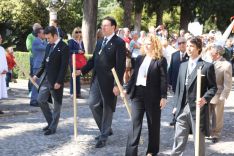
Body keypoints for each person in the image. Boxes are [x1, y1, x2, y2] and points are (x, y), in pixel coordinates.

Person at [75, 16, 126, 148]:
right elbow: (93, 61)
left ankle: (103, 136)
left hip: (110, 81)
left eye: (106, 25)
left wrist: (117, 85)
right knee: (93, 104)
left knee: (107, 108)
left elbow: (120, 65)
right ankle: (106, 129)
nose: (103, 28)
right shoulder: (99, 42)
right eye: (102, 26)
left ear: (113, 27)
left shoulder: (119, 43)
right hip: (97, 79)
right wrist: (81, 71)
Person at [171, 37, 217, 156]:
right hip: (182, 108)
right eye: (187, 46)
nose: (188, 49)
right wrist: (176, 105)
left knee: (198, 141)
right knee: (178, 138)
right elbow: (179, 88)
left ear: (199, 49)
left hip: (197, 109)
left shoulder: (206, 66)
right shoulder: (183, 66)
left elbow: (213, 87)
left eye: (191, 46)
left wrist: (205, 99)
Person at [125, 34, 167, 156]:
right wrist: (127, 90)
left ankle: (152, 151)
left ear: (155, 44)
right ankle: (130, 153)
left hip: (153, 96)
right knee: (134, 125)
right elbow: (134, 77)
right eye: (145, 43)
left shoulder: (161, 60)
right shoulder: (139, 58)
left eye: (149, 43)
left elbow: (164, 79)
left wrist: (163, 96)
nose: (147, 45)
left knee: (153, 125)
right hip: (137, 94)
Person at [32, 26, 69, 135]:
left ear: (55, 35)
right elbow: (44, 62)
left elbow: (64, 67)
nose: (47, 40)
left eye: (49, 38)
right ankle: (51, 122)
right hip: (46, 79)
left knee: (57, 105)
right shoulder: (48, 46)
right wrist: (37, 75)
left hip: (56, 81)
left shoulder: (64, 47)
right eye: (46, 38)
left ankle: (52, 128)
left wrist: (59, 81)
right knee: (40, 100)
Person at [207, 45, 232, 143]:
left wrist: (223, 96)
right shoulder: (210, 61)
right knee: (207, 114)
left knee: (217, 117)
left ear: (217, 54)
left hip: (218, 94)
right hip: (207, 93)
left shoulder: (226, 65)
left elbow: (228, 83)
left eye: (211, 52)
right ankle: (207, 131)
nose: (209, 53)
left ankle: (216, 134)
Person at [168, 37, 189, 126]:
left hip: (186, 83)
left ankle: (186, 121)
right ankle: (175, 118)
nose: (181, 45)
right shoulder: (174, 55)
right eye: (179, 43)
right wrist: (169, 82)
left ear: (186, 44)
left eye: (183, 43)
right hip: (176, 83)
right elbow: (171, 69)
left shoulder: (190, 54)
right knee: (176, 101)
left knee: (185, 101)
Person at [30, 28, 47, 107]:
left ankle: (38, 99)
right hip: (37, 66)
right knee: (36, 83)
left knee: (40, 84)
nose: (44, 34)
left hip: (41, 66)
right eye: (43, 33)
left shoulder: (42, 41)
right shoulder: (36, 41)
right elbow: (45, 48)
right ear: (38, 34)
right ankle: (33, 100)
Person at [68, 27, 85, 98]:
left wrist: (83, 51)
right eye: (76, 32)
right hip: (73, 60)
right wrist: (77, 51)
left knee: (78, 76)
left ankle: (78, 92)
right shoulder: (71, 41)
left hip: (79, 61)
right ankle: (72, 93)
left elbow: (84, 50)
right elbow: (69, 50)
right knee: (73, 76)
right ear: (74, 33)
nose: (78, 33)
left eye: (79, 32)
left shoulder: (81, 41)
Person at [26, 23, 42, 97]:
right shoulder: (30, 36)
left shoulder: (40, 37)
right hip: (33, 57)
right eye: (40, 28)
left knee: (38, 75)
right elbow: (29, 47)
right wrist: (37, 49)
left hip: (39, 58)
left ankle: (36, 91)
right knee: (33, 74)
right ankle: (30, 91)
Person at [0, 34, 8, 100]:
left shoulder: (2, 49)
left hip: (2, 73)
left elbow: (4, 60)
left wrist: (5, 69)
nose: (1, 39)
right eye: (0, 38)